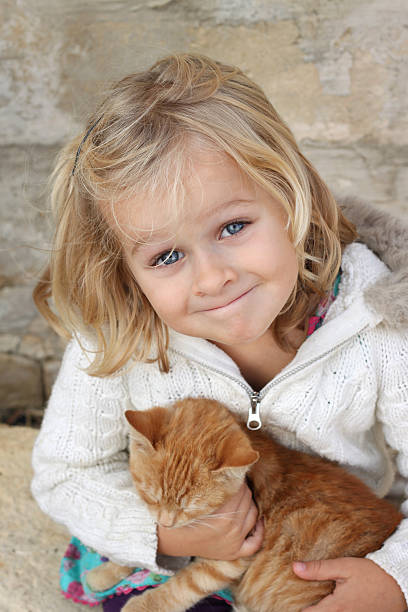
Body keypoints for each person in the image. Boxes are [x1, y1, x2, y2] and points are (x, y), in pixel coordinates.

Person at [31, 53, 408, 612]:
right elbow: (63, 473)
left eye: (233, 226)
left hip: (311, 549)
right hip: (171, 553)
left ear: (289, 197)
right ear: (125, 273)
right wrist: (168, 536)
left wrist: (393, 576)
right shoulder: (119, 338)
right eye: (166, 256)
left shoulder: (379, 325)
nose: (212, 277)